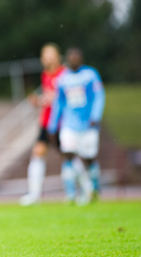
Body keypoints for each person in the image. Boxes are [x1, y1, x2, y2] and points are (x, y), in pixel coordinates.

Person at [47, 47, 105, 205]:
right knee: (68, 155)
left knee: (88, 158)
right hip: (69, 125)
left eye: (76, 57)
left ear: (81, 59)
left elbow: (99, 96)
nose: (73, 59)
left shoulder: (90, 75)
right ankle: (71, 192)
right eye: (71, 57)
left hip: (88, 125)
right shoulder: (62, 79)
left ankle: (94, 188)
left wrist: (96, 116)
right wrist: (53, 125)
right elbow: (58, 103)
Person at [19, 44, 65, 206]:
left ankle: (84, 189)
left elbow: (61, 99)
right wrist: (38, 101)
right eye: (45, 55)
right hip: (46, 121)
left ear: (57, 56)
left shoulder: (64, 74)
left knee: (69, 155)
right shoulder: (45, 75)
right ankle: (35, 194)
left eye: (50, 54)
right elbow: (48, 98)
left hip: (61, 122)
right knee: (38, 152)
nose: (48, 58)